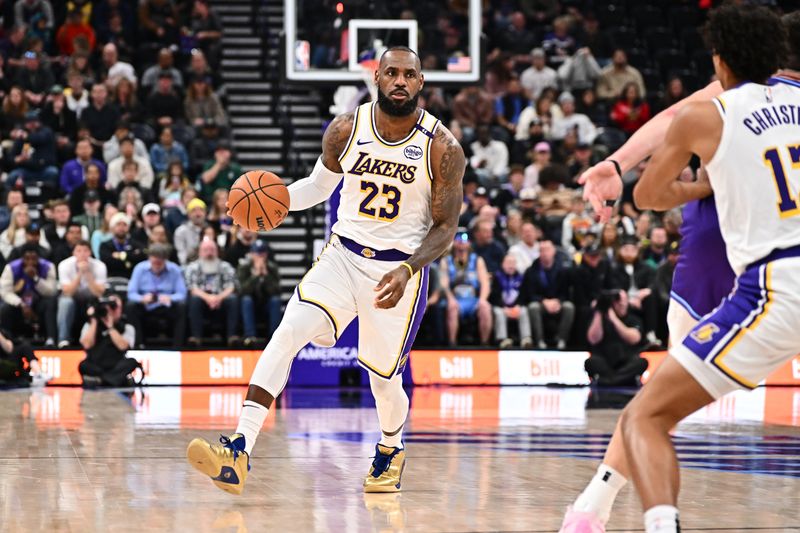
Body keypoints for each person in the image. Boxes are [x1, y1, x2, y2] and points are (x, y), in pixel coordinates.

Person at [187, 47, 465, 496]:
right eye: (390, 72)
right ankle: (239, 448)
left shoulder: (443, 147)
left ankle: (391, 448)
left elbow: (446, 227)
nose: (399, 80)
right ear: (376, 77)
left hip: (397, 270)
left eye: (408, 74)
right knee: (287, 333)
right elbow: (318, 187)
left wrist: (410, 269)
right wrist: (274, 203)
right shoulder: (346, 128)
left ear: (420, 82)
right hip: (341, 256)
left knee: (383, 378)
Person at [560, 6, 789, 533]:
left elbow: (669, 128)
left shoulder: (724, 103)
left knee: (658, 399)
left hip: (731, 240)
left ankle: (597, 508)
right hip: (768, 246)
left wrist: (620, 166)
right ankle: (595, 505)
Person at [126, 243, 187, 347]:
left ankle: (178, 346)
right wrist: (142, 299)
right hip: (146, 305)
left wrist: (170, 298)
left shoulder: (175, 269)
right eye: (155, 262)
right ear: (149, 258)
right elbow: (131, 293)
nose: (157, 265)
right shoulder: (140, 269)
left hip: (167, 305)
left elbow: (182, 294)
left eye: (160, 262)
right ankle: (138, 344)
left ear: (165, 260)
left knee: (182, 306)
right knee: (131, 306)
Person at [584, 289, 648, 386]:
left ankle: (610, 380)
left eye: (624, 300)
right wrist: (599, 311)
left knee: (641, 362)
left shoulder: (634, 319)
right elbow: (593, 339)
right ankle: (619, 379)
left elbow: (634, 339)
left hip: (626, 361)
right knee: (590, 362)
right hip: (604, 361)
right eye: (618, 300)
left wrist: (613, 318)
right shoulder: (599, 319)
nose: (621, 303)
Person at [184, 238, 240, 347]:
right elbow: (191, 288)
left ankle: (232, 337)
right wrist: (208, 298)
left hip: (221, 300)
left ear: (217, 251)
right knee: (194, 300)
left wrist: (218, 297)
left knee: (233, 299)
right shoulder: (192, 267)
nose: (209, 253)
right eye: (206, 250)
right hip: (202, 300)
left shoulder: (225, 266)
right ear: (199, 252)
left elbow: (232, 286)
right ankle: (196, 338)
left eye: (212, 249)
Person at [520, 239, 574, 349]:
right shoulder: (531, 271)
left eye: (547, 250)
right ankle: (539, 341)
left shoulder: (563, 270)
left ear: (554, 251)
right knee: (533, 307)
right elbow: (529, 294)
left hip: (557, 302)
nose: (545, 253)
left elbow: (566, 292)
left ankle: (561, 340)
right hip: (540, 303)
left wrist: (558, 301)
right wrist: (543, 301)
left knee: (569, 307)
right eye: (542, 250)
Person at [439, 233, 491, 346]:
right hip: (456, 298)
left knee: (485, 307)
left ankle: (485, 343)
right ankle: (452, 343)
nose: (461, 243)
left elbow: (485, 283)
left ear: (469, 243)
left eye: (464, 240)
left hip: (472, 298)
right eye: (458, 240)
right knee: (451, 308)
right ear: (454, 243)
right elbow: (444, 284)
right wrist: (450, 299)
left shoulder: (477, 260)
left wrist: (482, 299)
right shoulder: (446, 261)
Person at [0, 243, 57, 345]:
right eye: (27, 259)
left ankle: (51, 338)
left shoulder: (48, 267)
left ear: (38, 258)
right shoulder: (11, 268)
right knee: (5, 308)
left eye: (33, 259)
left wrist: (36, 279)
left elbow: (51, 291)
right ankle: (6, 339)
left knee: (50, 303)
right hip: (18, 304)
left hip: (39, 303)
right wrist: (21, 304)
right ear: (22, 258)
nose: (30, 262)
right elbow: (4, 292)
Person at [78, 293, 138, 387]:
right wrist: (94, 320)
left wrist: (110, 327)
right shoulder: (90, 325)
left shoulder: (127, 327)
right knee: (83, 365)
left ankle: (101, 381)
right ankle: (113, 380)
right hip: (96, 365)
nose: (111, 310)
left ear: (121, 309)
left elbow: (123, 347)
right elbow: (86, 345)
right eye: (108, 306)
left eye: (114, 306)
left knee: (131, 362)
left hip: (116, 364)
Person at [57, 240, 106, 348]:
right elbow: (68, 292)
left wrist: (88, 273)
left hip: (91, 297)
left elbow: (98, 293)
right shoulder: (64, 265)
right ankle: (63, 340)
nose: (82, 254)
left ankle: (99, 340)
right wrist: (79, 273)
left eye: (85, 251)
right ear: (74, 253)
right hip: (72, 297)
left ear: (90, 253)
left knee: (101, 302)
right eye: (79, 251)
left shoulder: (99, 266)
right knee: (65, 302)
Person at [238, 240, 281, 346]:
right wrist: (255, 276)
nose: (260, 256)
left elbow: (277, 291)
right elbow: (242, 291)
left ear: (266, 254)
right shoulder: (244, 267)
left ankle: (273, 336)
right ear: (251, 254)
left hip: (266, 305)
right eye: (257, 253)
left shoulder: (272, 268)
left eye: (262, 253)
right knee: (246, 300)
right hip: (250, 305)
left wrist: (266, 276)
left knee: (275, 300)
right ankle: (250, 336)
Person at [5, 110, 59, 187]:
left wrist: (26, 136)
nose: (32, 125)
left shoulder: (46, 132)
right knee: (13, 176)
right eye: (29, 122)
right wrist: (19, 159)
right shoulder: (20, 138)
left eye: (34, 122)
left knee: (53, 172)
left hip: (44, 169)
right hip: (26, 170)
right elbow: (11, 157)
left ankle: (52, 196)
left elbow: (40, 138)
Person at [490, 253, 531, 348]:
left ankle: (526, 339)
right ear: (503, 264)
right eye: (508, 263)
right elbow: (494, 297)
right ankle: (502, 339)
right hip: (501, 307)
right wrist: (504, 308)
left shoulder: (521, 278)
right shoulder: (497, 277)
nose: (511, 266)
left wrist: (518, 306)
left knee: (524, 311)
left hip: (515, 306)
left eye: (513, 263)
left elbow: (524, 295)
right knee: (499, 313)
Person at [98, 213, 146, 278]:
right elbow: (108, 263)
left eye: (124, 225)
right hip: (112, 278)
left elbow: (141, 258)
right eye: (118, 224)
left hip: (132, 278)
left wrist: (121, 255)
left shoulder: (136, 244)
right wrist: (130, 258)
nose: (121, 227)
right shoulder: (105, 245)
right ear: (112, 228)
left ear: (128, 228)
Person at [174, 197, 207, 265]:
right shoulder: (181, 231)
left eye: (201, 210)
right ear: (188, 214)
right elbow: (182, 256)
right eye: (193, 210)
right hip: (189, 266)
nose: (198, 214)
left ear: (205, 213)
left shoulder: (209, 229)